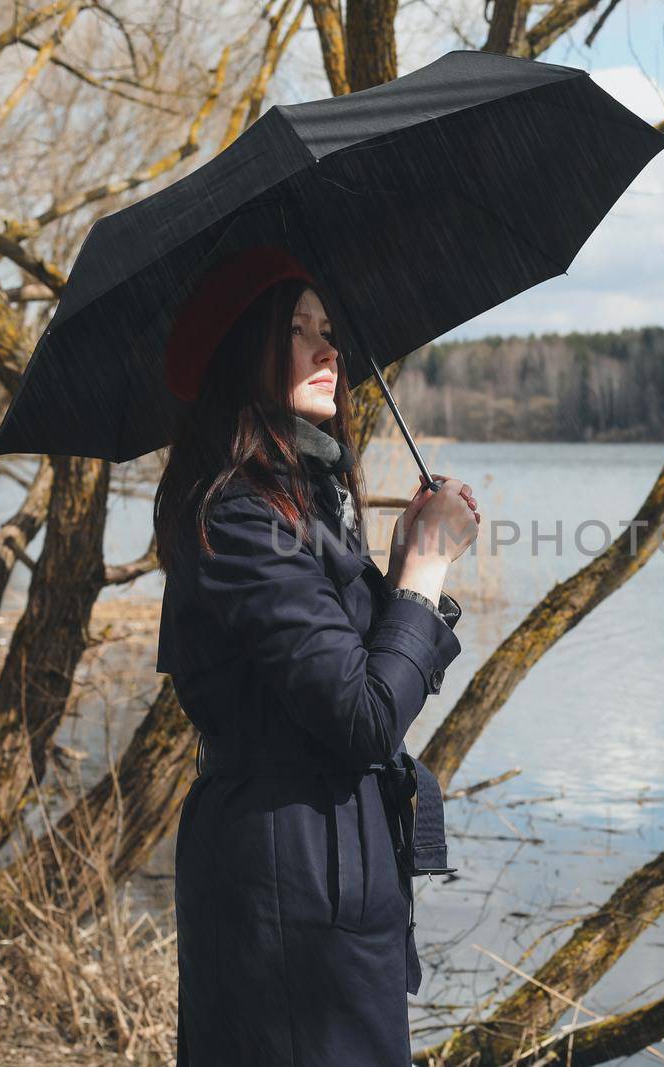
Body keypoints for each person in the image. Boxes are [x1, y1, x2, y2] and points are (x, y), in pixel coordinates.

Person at [153, 244, 480, 1065]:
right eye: (298, 330)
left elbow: (362, 671)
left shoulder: (302, 499)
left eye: (328, 327)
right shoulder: (237, 517)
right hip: (288, 885)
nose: (328, 348)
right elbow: (365, 716)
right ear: (244, 350)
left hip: (327, 868)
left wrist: (407, 557)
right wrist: (425, 570)